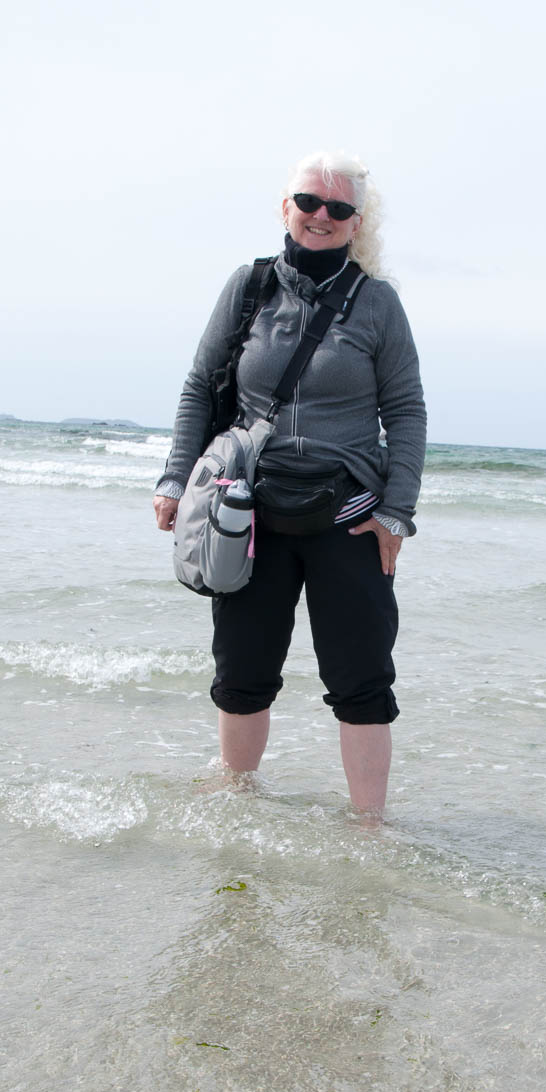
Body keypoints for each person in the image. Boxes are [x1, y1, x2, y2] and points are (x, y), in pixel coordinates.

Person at [154, 151, 426, 814]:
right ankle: (236, 803)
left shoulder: (377, 302)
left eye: (338, 207)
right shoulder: (248, 288)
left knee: (362, 683)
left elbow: (407, 410)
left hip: (349, 518)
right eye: (308, 201)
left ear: (356, 222)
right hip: (250, 513)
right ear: (286, 208)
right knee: (241, 673)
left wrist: (396, 512)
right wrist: (174, 479)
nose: (320, 215)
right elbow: (199, 387)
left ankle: (370, 830)